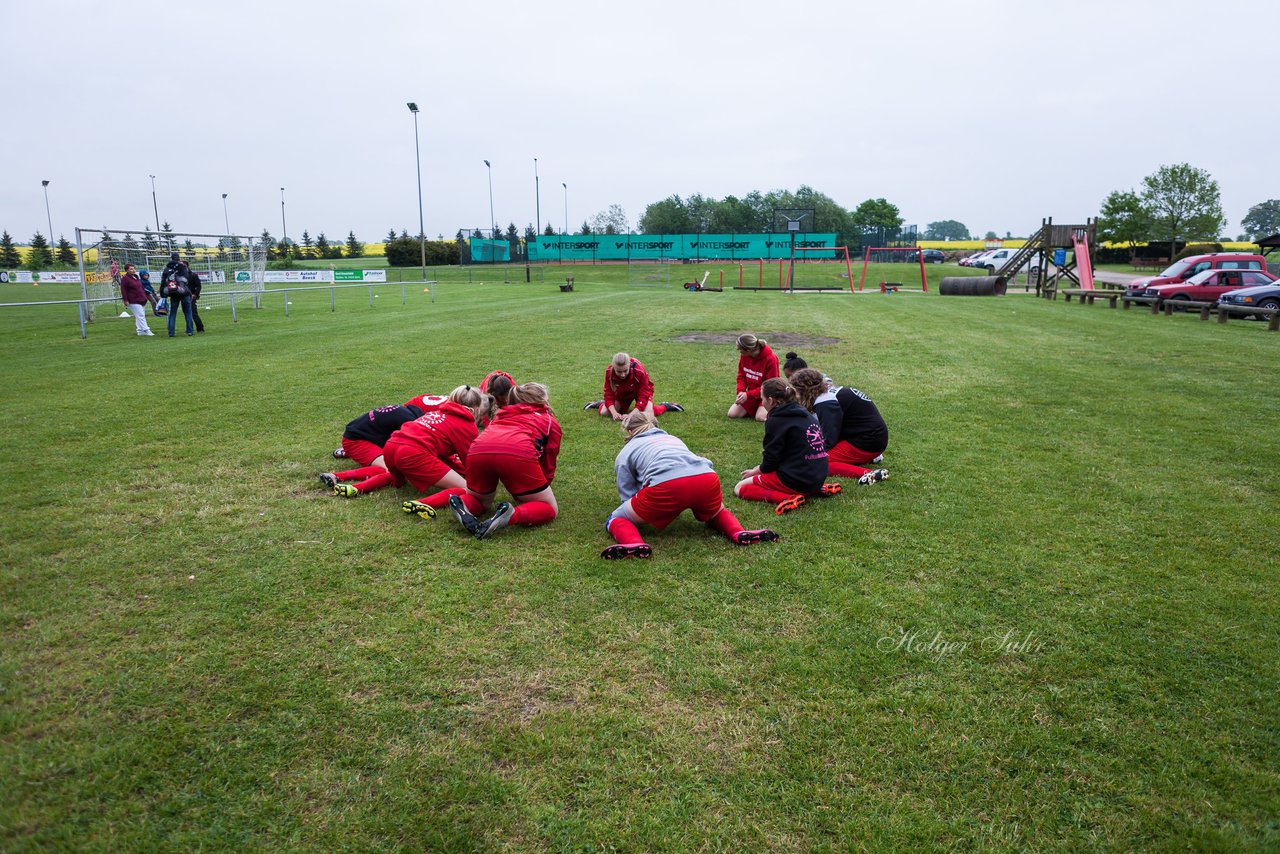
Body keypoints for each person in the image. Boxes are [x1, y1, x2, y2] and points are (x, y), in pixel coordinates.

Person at [601, 410, 777, 560]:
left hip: (668, 485)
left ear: (630, 430)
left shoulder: (627, 450)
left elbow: (627, 494)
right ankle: (737, 532)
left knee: (617, 518)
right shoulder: (671, 438)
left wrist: (636, 508)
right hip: (706, 477)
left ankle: (634, 544)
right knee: (716, 512)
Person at [440, 382, 562, 540]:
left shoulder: (500, 414)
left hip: (478, 448)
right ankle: (511, 514)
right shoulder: (549, 420)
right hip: (516, 451)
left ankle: (462, 503)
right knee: (549, 508)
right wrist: (543, 486)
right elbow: (549, 459)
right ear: (542, 401)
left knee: (480, 500)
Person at [734, 377, 841, 514]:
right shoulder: (805, 412)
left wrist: (756, 471)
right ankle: (818, 488)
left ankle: (787, 498)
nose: (762, 402)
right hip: (819, 475)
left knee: (740, 487)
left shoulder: (776, 420)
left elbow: (771, 460)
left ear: (771, 400)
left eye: (763, 398)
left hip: (798, 479)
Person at [373, 386, 486, 506]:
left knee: (396, 480)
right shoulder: (466, 425)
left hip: (391, 445)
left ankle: (356, 487)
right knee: (469, 490)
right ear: (476, 408)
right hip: (412, 453)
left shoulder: (435, 412)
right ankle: (422, 503)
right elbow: (471, 463)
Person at [789, 368, 889, 485]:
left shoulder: (825, 402)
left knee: (818, 462)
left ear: (804, 391)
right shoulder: (828, 393)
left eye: (796, 393)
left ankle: (868, 473)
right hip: (870, 438)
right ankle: (871, 457)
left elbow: (829, 440)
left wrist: (807, 454)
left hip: (867, 442)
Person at [320, 401, 426, 495]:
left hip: (361, 436)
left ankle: (348, 453)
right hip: (356, 441)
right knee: (392, 471)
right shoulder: (410, 423)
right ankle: (337, 476)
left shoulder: (407, 412)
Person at [584, 352, 683, 420]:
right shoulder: (609, 372)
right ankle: (600, 404)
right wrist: (614, 413)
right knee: (605, 413)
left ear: (629, 365)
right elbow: (609, 394)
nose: (622, 374)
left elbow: (644, 394)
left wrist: (632, 414)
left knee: (647, 415)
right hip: (623, 393)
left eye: (625, 371)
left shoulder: (639, 370)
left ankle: (665, 406)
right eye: (619, 371)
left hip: (640, 392)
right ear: (614, 367)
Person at [727, 333, 779, 422]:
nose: (738, 351)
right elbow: (741, 375)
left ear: (748, 350)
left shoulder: (771, 359)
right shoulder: (744, 356)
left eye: (739, 349)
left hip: (768, 395)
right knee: (732, 414)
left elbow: (771, 385)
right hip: (752, 394)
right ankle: (757, 409)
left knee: (760, 417)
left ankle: (779, 410)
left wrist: (748, 395)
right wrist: (741, 392)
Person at [159, 253, 194, 337]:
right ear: (178, 258)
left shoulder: (167, 268)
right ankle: (190, 331)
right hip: (183, 292)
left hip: (172, 293)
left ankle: (171, 333)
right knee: (188, 312)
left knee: (173, 313)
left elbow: (163, 282)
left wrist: (162, 295)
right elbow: (187, 279)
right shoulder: (182, 266)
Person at [118, 263, 154, 337]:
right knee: (140, 315)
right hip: (133, 300)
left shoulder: (136, 277)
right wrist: (125, 300)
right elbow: (123, 290)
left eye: (134, 268)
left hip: (141, 299)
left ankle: (140, 331)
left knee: (140, 315)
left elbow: (140, 288)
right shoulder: (125, 278)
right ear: (127, 270)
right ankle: (147, 330)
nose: (133, 270)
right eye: (131, 269)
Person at [188, 264, 204, 333]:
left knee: (193, 313)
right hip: (184, 296)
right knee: (187, 314)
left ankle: (200, 328)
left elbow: (199, 286)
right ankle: (189, 329)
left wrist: (195, 294)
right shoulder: (181, 275)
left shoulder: (193, 275)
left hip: (191, 297)